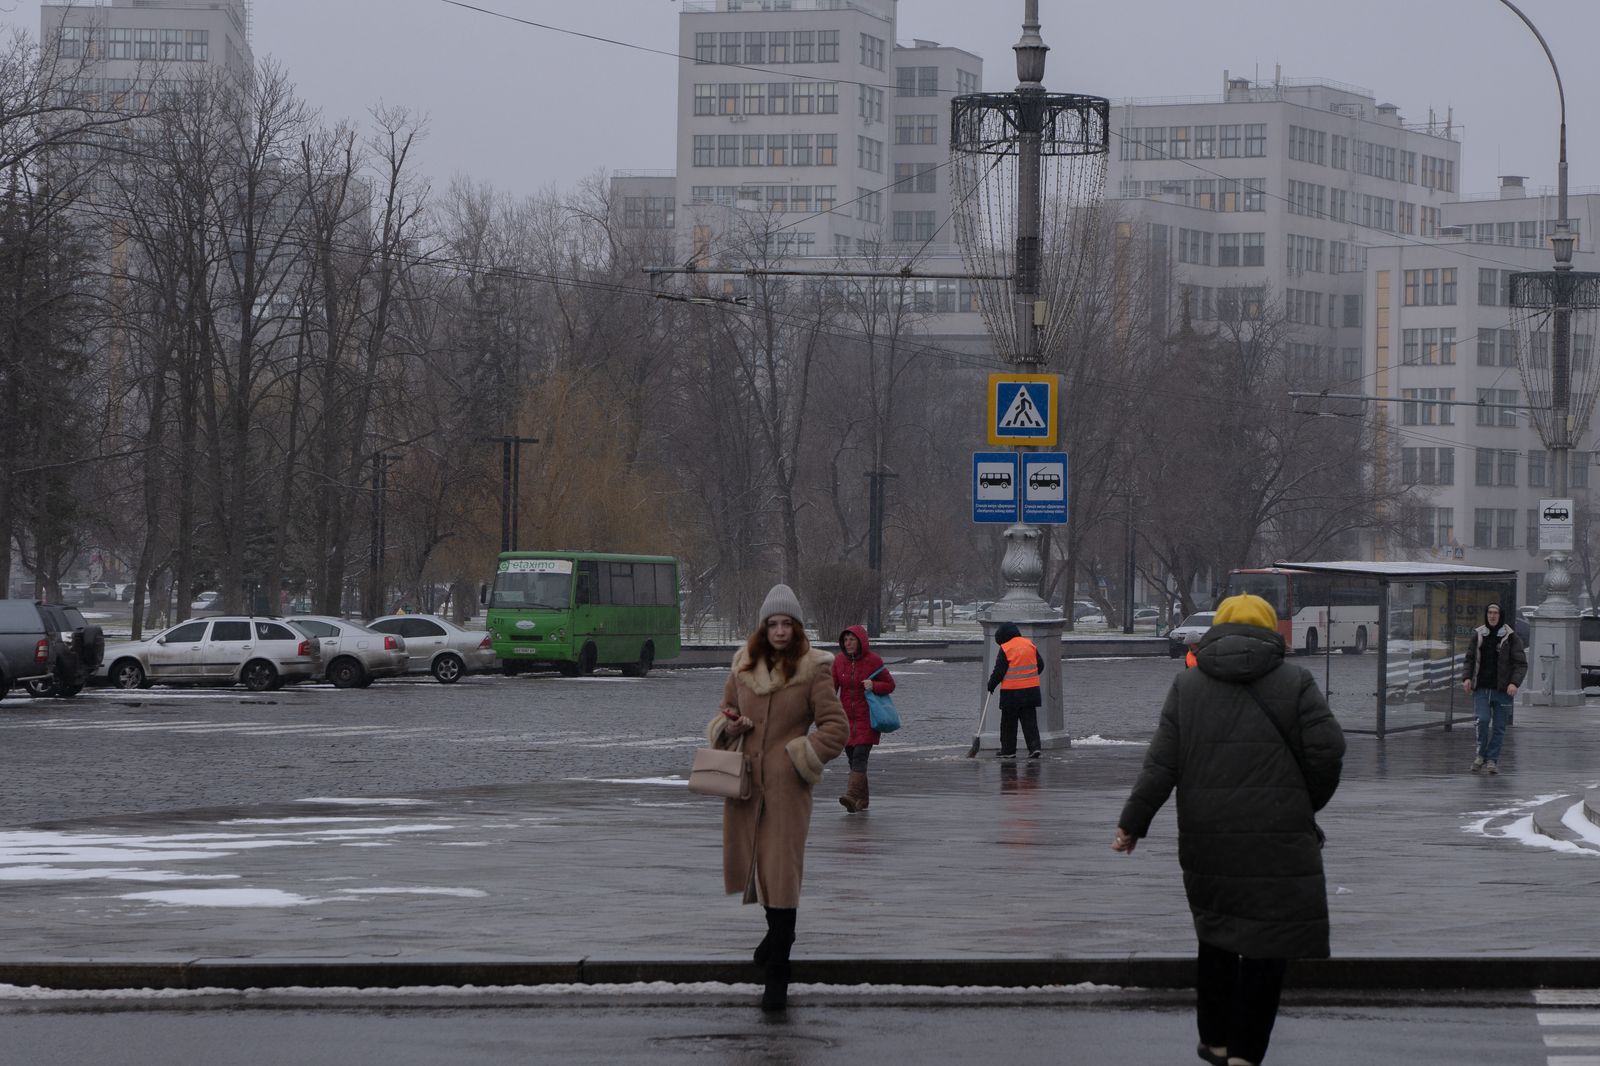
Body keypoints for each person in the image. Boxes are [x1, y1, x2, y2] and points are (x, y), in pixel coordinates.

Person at [1113, 593, 1345, 1066]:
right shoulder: (1296, 681)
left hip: (1207, 838)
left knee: (1216, 935)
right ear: (1269, 630)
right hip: (1278, 836)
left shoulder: (1188, 687)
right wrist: (1304, 805)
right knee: (1266, 946)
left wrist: (1131, 824)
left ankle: (1214, 1039)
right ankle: (1244, 1053)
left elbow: (1160, 765)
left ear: (1216, 629)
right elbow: (1329, 752)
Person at [706, 584, 848, 1012]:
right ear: (763, 627)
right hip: (746, 787)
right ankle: (774, 941)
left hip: (787, 791)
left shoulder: (814, 669)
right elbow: (722, 713)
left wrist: (798, 756)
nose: (780, 631)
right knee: (758, 872)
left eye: (787, 624)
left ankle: (778, 974)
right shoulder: (742, 666)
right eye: (773, 624)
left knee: (781, 875)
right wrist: (727, 727)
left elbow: (835, 728)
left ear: (798, 628)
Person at [831, 625, 895, 813]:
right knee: (853, 760)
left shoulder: (873, 661)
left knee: (859, 757)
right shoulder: (838, 661)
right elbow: (831, 687)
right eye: (845, 640)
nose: (848, 643)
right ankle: (863, 800)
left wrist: (873, 684)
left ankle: (851, 795)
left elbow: (890, 685)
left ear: (860, 641)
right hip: (846, 720)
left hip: (867, 719)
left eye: (852, 639)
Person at [1462, 602, 1527, 775]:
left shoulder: (1511, 637)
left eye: (1495, 613)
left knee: (1499, 727)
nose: (1492, 616)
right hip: (1482, 689)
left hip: (1503, 691)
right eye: (1489, 612)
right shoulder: (1479, 635)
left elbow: (1521, 664)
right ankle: (1480, 755)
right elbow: (1469, 659)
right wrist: (1467, 678)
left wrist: (1514, 683)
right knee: (1482, 721)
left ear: (1501, 615)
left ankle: (1492, 760)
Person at [986, 621, 1042, 759]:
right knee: (1030, 722)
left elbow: (999, 671)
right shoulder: (1029, 644)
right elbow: (1040, 665)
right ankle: (1034, 748)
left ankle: (1008, 750)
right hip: (1031, 691)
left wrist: (991, 684)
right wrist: (1030, 677)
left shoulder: (1006, 648)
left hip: (1011, 693)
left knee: (1008, 723)